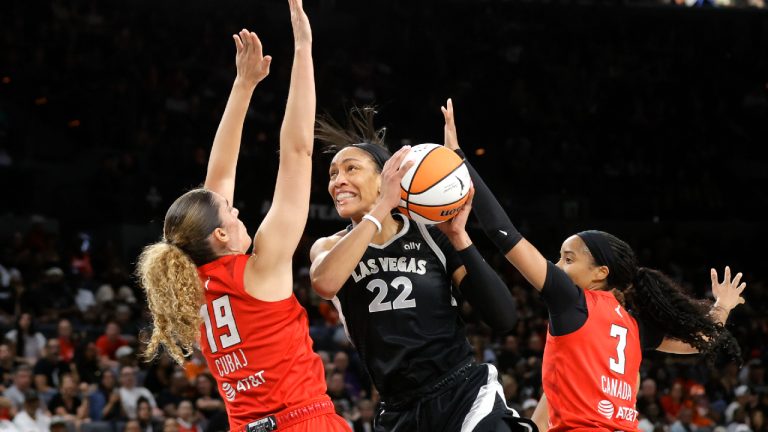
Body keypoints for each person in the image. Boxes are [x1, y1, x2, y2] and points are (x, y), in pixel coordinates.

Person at [441, 98, 747, 432]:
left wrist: (459, 160)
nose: (558, 265)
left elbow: (505, 234)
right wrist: (722, 307)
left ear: (602, 272)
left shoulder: (570, 299)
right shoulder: (634, 325)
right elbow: (700, 340)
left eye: (568, 259)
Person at [135, 1, 350, 431]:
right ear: (219, 234)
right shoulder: (261, 268)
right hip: (302, 423)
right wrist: (304, 49)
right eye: (230, 213)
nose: (236, 210)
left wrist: (245, 85)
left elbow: (218, 179)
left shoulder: (191, 285)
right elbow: (297, 152)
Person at [310, 107, 536, 431]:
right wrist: (383, 206)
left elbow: (503, 317)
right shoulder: (329, 247)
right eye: (333, 174)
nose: (338, 181)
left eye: (351, 169)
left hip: (460, 391)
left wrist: (459, 236)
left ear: (384, 178)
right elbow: (325, 282)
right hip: (397, 410)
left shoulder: (430, 235)